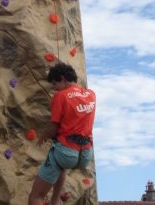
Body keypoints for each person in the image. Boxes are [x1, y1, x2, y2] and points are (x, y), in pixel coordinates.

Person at [28, 63, 96, 205]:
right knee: (60, 165)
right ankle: (55, 200)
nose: (54, 88)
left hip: (67, 153)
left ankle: (53, 200)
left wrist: (43, 137)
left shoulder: (61, 97)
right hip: (85, 154)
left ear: (63, 78)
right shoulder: (91, 94)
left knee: (36, 197)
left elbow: (53, 128)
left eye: (55, 84)